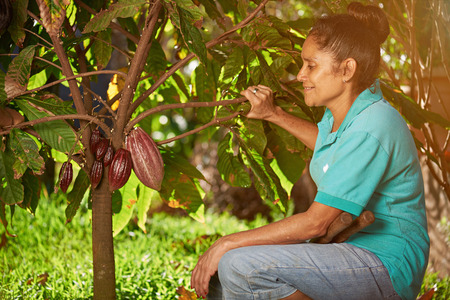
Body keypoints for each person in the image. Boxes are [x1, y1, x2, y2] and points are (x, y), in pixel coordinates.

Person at [190, 2, 429, 299]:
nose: (301, 74)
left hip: (386, 264)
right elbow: (332, 146)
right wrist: (272, 113)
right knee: (224, 279)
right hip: (355, 250)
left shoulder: (372, 124)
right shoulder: (348, 113)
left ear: (347, 69)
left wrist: (226, 242)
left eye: (311, 66)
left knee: (240, 265)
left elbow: (316, 223)